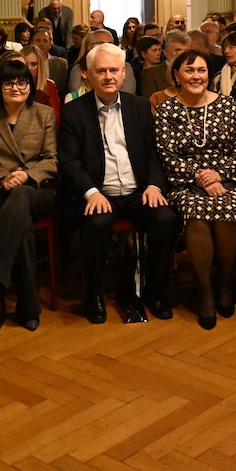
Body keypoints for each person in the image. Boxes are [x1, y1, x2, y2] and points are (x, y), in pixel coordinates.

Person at [59, 44, 179, 324]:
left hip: (138, 193)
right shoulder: (74, 112)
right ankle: (94, 296)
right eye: (101, 71)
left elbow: (153, 154)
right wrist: (91, 193)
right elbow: (69, 162)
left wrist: (153, 186)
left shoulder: (139, 107)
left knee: (166, 219)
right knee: (97, 223)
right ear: (87, 75)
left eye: (114, 70)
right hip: (99, 194)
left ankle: (155, 293)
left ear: (124, 72)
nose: (108, 76)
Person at [154, 50, 236, 329]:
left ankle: (224, 283)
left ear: (210, 74)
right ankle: (206, 292)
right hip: (185, 183)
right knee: (196, 215)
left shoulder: (229, 105)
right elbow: (166, 155)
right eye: (189, 70)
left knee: (226, 210)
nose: (196, 76)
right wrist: (200, 177)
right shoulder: (166, 110)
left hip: (228, 179)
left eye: (202, 70)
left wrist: (218, 175)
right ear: (177, 76)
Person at [0, 61, 59, 332]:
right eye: (9, 83)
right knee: (22, 225)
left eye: (22, 82)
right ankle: (29, 307)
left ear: (30, 87)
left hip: (38, 190)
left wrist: (26, 176)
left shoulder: (43, 114)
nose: (16, 88)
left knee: (22, 197)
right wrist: (3, 178)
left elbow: (51, 160)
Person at [141, 30, 189, 100]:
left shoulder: (194, 74)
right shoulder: (150, 73)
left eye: (185, 51)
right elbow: (149, 104)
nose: (182, 55)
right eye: (177, 50)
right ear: (166, 52)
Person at [21, 44, 61, 125]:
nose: (29, 69)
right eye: (25, 65)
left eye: (34, 64)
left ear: (40, 65)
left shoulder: (49, 86)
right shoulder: (14, 87)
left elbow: (55, 118)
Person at [32, 23, 68, 95]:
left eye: (45, 41)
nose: (41, 44)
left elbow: (63, 90)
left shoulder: (61, 64)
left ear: (50, 44)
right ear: (32, 43)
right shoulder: (26, 62)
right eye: (38, 40)